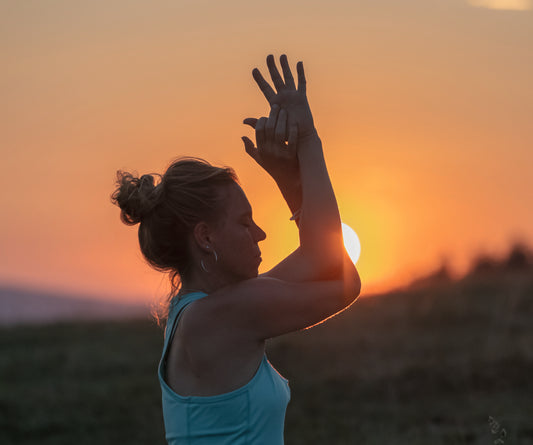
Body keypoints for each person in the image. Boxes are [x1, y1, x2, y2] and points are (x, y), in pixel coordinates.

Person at [111, 54, 361, 445]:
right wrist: (308, 144)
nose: (260, 233)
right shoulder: (225, 314)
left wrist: (288, 178)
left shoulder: (202, 311)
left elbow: (324, 262)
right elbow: (344, 281)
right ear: (205, 237)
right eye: (245, 222)